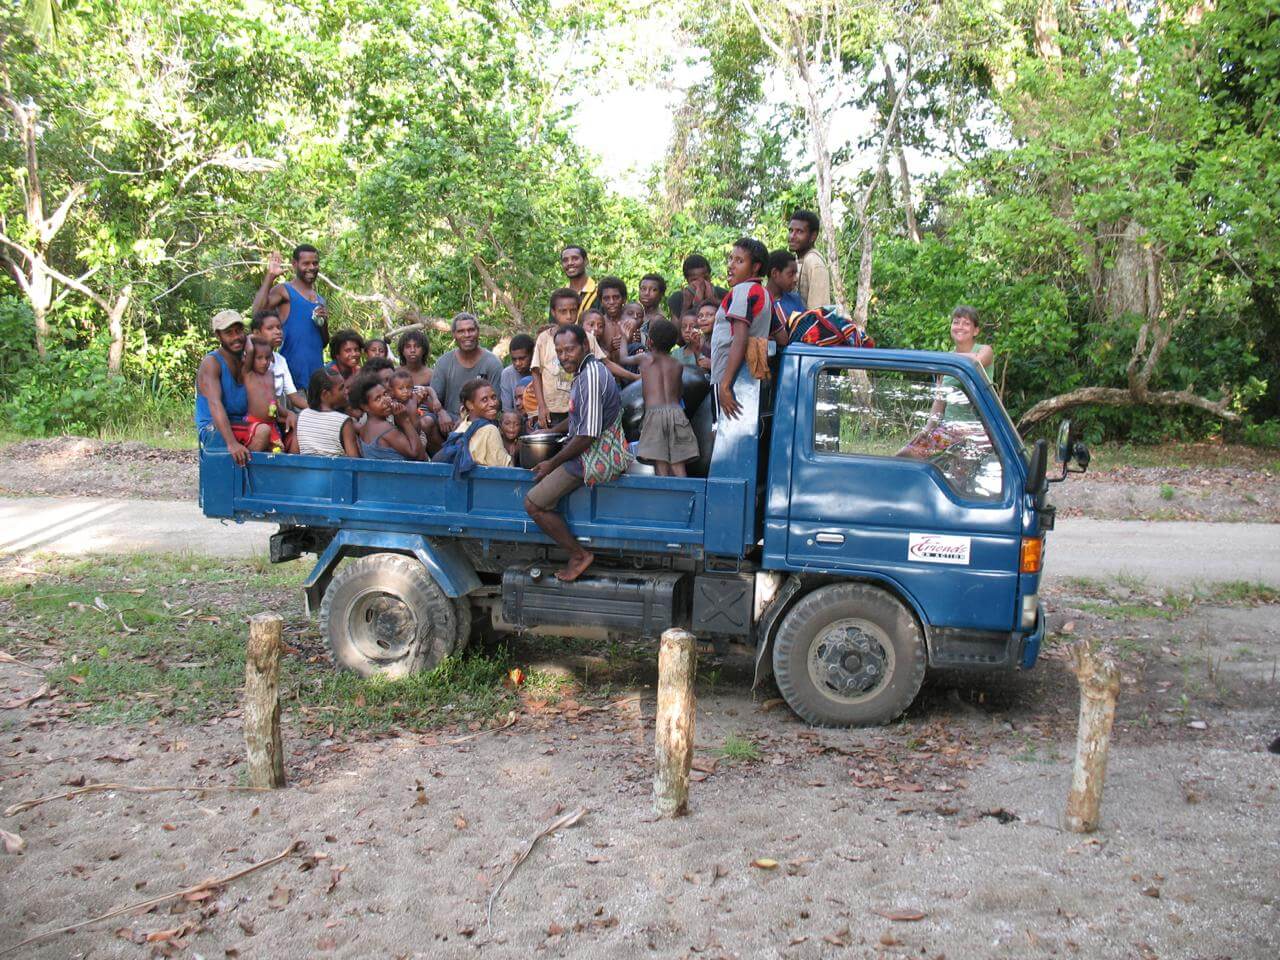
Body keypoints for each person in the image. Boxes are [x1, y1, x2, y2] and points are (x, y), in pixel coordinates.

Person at [524, 324, 626, 583]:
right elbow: (576, 419)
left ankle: (579, 554)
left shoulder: (590, 375)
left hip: (593, 456)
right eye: (559, 351)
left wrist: (552, 463)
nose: (564, 355)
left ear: (585, 347)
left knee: (533, 503)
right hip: (585, 449)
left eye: (569, 349)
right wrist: (546, 434)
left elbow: (587, 435)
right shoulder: (584, 373)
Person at [530, 289, 617, 430]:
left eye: (573, 311)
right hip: (552, 411)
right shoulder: (544, 339)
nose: (569, 316)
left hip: (578, 406)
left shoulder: (586, 337)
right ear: (553, 312)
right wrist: (541, 406)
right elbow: (535, 372)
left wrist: (635, 377)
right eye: (563, 311)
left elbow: (605, 362)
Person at [711, 238, 773, 420]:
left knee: (720, 431)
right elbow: (781, 336)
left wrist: (724, 385)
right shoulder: (764, 294)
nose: (731, 265)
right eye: (730, 259)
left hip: (728, 375)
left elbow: (740, 338)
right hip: (750, 377)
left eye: (739, 261)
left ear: (755, 267)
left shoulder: (742, 290)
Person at [252, 246, 330, 389]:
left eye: (315, 263)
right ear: (295, 264)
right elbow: (257, 312)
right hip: (292, 380)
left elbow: (323, 342)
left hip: (316, 382)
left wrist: (323, 323)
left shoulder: (320, 300)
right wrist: (270, 276)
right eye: (306, 263)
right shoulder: (285, 291)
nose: (311, 267)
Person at [196, 309, 263, 466]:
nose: (236, 337)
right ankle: (238, 479)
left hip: (240, 423)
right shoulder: (212, 363)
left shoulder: (246, 360)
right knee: (262, 432)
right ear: (218, 336)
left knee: (278, 435)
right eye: (229, 333)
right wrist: (232, 443)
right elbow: (215, 404)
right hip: (214, 428)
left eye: (239, 331)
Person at [637, 319, 699, 477]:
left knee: (660, 463)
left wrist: (624, 338)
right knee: (679, 463)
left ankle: (663, 498)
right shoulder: (677, 365)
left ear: (650, 341)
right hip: (676, 413)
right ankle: (685, 499)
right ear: (673, 344)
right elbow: (679, 394)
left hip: (655, 415)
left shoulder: (646, 360)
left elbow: (623, 358)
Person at [431, 313, 504, 416]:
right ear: (454, 334)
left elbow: (497, 403)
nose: (467, 335)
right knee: (427, 421)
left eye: (471, 330)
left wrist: (468, 421)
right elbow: (433, 399)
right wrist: (441, 413)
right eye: (461, 331)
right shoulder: (443, 362)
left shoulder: (492, 363)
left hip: (482, 420)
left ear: (478, 332)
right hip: (449, 421)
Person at [433, 378, 512, 473]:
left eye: (494, 397)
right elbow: (506, 470)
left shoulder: (462, 426)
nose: (492, 403)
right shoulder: (490, 430)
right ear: (470, 405)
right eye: (484, 399)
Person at [348, 373, 425, 460]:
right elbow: (418, 456)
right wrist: (405, 421)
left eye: (385, 394)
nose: (386, 400)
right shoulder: (385, 428)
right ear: (365, 407)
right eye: (378, 398)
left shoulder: (364, 428)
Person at [250, 310, 308, 412]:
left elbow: (294, 398)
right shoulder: (249, 359)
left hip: (275, 414)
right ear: (256, 333)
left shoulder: (280, 360)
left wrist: (320, 411)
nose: (278, 332)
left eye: (279, 327)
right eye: (270, 328)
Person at [296, 369, 360, 457]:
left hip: (308, 470)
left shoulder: (302, 415)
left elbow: (294, 452)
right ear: (325, 394)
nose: (346, 391)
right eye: (341, 388)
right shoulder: (343, 421)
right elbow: (354, 461)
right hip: (336, 470)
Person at [242, 336, 286, 452]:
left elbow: (273, 400)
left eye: (267, 358)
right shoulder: (248, 374)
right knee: (259, 454)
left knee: (278, 452)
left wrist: (288, 414)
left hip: (272, 424)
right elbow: (250, 350)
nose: (264, 362)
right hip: (255, 423)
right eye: (259, 358)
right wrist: (250, 337)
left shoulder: (270, 374)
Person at [787, 209, 831, 310]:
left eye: (799, 231)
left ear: (813, 236)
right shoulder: (798, 260)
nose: (792, 236)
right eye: (791, 230)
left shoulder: (814, 262)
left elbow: (818, 312)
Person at [666, 254, 728, 320]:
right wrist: (686, 306)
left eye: (705, 278)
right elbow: (676, 329)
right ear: (687, 281)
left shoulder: (723, 295)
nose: (701, 283)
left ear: (710, 277)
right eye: (695, 280)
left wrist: (712, 301)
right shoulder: (678, 298)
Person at [765, 250, 801, 346]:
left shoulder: (796, 301)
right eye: (791, 274)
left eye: (796, 274)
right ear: (775, 273)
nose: (795, 279)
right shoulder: (760, 301)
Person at [499, 333, 536, 413]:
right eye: (514, 359)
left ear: (532, 355)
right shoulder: (507, 374)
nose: (517, 363)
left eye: (522, 358)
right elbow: (507, 410)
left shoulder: (542, 371)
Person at [560, 244, 599, 320]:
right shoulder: (559, 296)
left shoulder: (598, 294)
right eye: (565, 260)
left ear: (585, 261)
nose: (570, 263)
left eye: (575, 259)